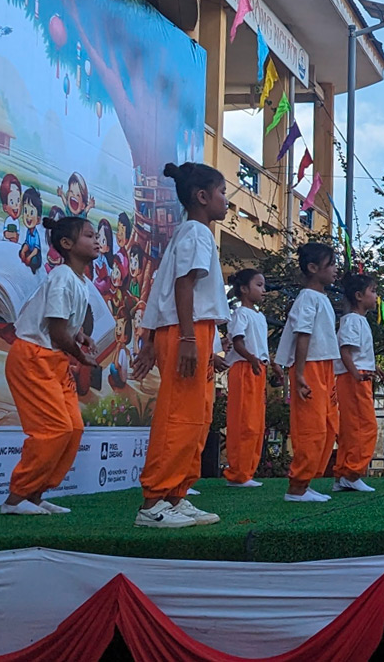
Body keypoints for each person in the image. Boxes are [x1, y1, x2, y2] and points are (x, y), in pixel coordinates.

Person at [132, 163, 229, 529]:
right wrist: (186, 338)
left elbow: (164, 287)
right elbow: (182, 287)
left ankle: (177, 495)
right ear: (202, 197)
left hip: (193, 331)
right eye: (222, 193)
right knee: (178, 417)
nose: (226, 202)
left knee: (197, 418)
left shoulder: (194, 233)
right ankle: (153, 502)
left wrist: (154, 339)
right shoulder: (196, 232)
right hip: (186, 333)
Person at [1, 217, 97, 516]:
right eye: (89, 236)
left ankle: (35, 494)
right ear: (67, 245)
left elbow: (65, 324)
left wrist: (81, 336)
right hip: (33, 357)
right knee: (53, 429)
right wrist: (82, 358)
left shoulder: (80, 281)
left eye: (96, 236)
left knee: (73, 428)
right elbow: (56, 332)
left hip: (52, 359)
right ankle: (15, 499)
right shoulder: (62, 277)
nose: (97, 240)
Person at [275, 243, 341, 502]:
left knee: (327, 426)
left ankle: (307, 481)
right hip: (309, 367)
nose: (336, 269)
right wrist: (299, 373)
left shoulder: (321, 298)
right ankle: (296, 487)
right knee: (311, 428)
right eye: (331, 264)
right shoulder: (306, 298)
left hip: (323, 365)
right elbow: (303, 334)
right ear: (313, 268)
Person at [332, 273, 379, 494]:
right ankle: (352, 472)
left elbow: (357, 352)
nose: (376, 296)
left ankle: (343, 473)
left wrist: (372, 367)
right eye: (373, 291)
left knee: (352, 428)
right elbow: (345, 351)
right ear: (359, 296)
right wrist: (357, 374)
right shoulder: (352, 320)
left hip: (358, 374)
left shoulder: (358, 321)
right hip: (354, 378)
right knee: (365, 426)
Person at [223, 269, 269, 488]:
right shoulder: (240, 314)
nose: (263, 290)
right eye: (258, 285)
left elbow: (261, 347)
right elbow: (239, 342)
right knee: (243, 421)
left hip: (257, 368)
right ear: (243, 289)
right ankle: (238, 472)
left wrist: (270, 366)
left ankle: (247, 471)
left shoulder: (259, 316)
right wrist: (251, 359)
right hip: (244, 368)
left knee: (256, 423)